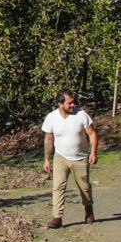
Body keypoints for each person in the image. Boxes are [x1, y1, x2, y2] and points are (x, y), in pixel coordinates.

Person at [40, 90, 98, 228]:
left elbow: (92, 134)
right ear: (60, 104)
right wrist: (47, 159)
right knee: (58, 187)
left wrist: (93, 153)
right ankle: (57, 217)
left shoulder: (81, 115)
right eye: (69, 103)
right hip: (60, 157)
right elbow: (48, 139)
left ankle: (89, 210)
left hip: (80, 158)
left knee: (84, 187)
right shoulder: (51, 117)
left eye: (74, 102)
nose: (73, 105)